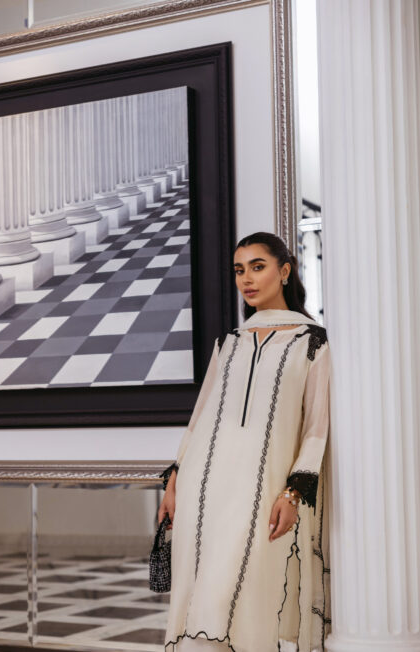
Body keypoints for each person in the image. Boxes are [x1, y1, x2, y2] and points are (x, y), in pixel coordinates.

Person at [158, 232, 331, 652]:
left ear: (284, 271)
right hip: (203, 487)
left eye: (258, 267)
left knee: (245, 595)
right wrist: (175, 478)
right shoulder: (230, 343)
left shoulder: (312, 342)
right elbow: (200, 418)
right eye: (239, 270)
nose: (246, 279)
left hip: (261, 492)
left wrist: (293, 492)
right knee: (200, 593)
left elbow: (316, 428)